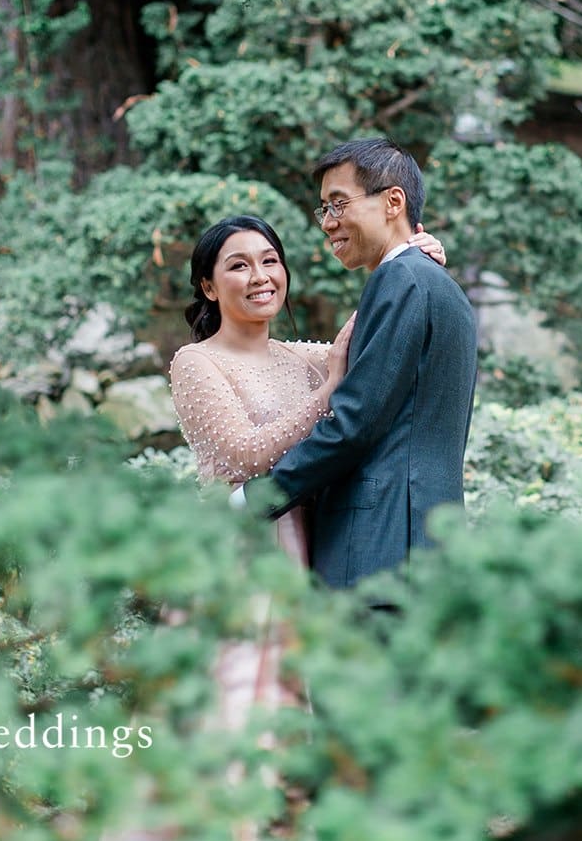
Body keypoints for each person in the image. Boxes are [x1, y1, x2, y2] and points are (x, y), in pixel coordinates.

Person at [167, 213, 446, 740]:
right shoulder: (196, 362)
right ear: (208, 285)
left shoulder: (305, 357)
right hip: (243, 548)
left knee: (301, 704)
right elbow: (246, 455)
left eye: (270, 261)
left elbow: (377, 330)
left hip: (312, 543)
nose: (260, 277)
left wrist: (412, 257)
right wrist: (327, 393)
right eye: (239, 266)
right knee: (240, 707)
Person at [248, 138, 478, 591]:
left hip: (377, 552)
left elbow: (353, 425)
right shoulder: (439, 285)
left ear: (394, 201)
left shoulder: (400, 278)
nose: (328, 224)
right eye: (323, 210)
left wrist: (249, 501)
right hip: (425, 549)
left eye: (338, 205)